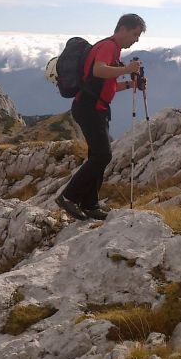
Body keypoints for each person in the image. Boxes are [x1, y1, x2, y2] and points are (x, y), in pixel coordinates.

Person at [56, 13, 146, 220]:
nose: (136, 39)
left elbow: (107, 84)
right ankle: (68, 197)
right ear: (122, 29)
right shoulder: (109, 46)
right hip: (89, 108)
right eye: (135, 34)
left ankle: (90, 203)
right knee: (102, 155)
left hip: (97, 107)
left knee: (98, 156)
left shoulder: (113, 50)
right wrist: (127, 69)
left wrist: (131, 84)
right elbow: (99, 71)